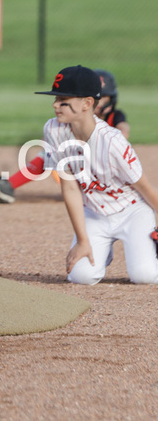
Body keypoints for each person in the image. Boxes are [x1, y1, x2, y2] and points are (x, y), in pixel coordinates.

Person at [35, 65, 158, 285]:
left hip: (133, 211)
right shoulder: (53, 130)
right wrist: (82, 240)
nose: (55, 105)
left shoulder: (113, 141)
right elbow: (70, 187)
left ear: (87, 103)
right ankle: (101, 249)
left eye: (64, 100)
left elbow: (144, 188)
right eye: (55, 99)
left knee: (145, 276)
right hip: (94, 213)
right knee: (81, 276)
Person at [0, 68, 129, 204]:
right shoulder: (74, 118)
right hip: (78, 171)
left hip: (102, 173)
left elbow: (123, 129)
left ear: (111, 99)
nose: (99, 101)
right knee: (47, 154)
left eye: (103, 97)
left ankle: (104, 191)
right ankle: (9, 185)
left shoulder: (114, 116)